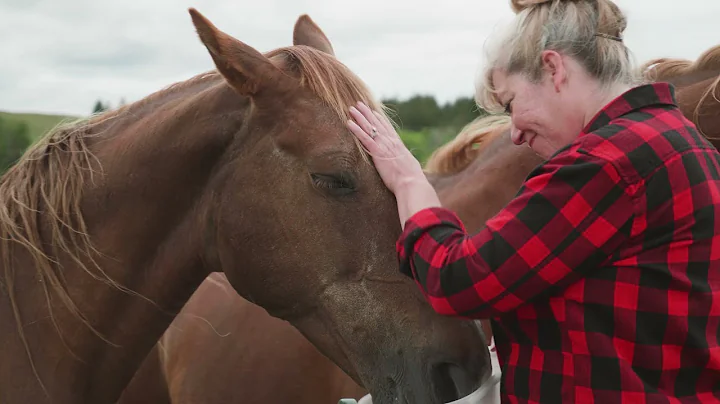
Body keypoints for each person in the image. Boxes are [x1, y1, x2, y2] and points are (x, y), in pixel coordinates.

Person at [346, 0, 720, 402]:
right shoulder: (686, 143)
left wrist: (408, 181)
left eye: (510, 104)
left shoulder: (602, 165)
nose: (515, 134)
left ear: (554, 69)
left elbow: (458, 281)